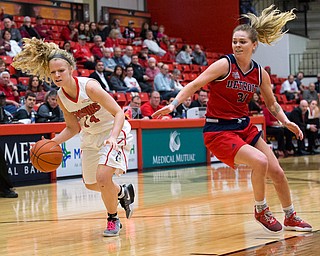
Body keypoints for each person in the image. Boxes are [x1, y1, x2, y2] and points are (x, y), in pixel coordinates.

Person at [152, 5, 312, 233]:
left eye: (242, 42)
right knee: (260, 162)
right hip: (219, 131)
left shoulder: (259, 73)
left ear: (254, 45)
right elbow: (195, 84)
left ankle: (290, 216)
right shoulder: (225, 65)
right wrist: (173, 104)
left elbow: (273, 104)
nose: (237, 45)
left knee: (277, 171)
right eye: (234, 41)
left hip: (243, 127)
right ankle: (261, 209)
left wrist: (286, 121)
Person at [12, 37, 135, 237]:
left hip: (113, 130)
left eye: (61, 70)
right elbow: (72, 128)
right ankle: (122, 192)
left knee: (103, 177)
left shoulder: (90, 87)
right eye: (53, 72)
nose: (57, 75)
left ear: (71, 69)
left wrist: (113, 137)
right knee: (91, 184)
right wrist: (49, 143)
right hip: (90, 136)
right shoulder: (60, 96)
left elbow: (119, 113)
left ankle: (113, 219)